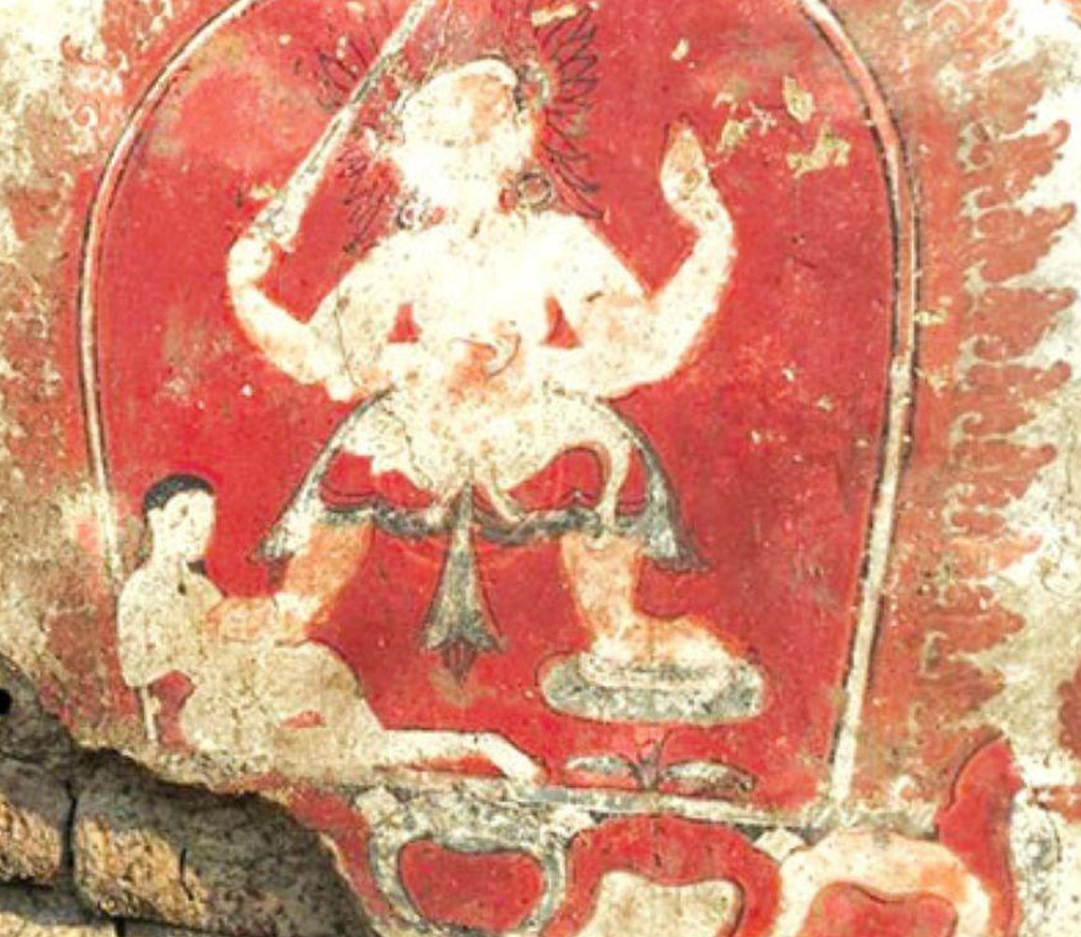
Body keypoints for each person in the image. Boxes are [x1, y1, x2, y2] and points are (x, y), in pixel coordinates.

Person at [224, 56, 747, 704]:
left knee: (607, 448)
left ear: (519, 138)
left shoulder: (556, 243)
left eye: (483, 135)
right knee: (361, 444)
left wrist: (711, 235)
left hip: (528, 428)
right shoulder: (406, 255)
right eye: (447, 142)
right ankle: (297, 605)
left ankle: (616, 626)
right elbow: (328, 359)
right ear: (416, 157)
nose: (467, 158)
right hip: (427, 434)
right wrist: (246, 289)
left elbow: (636, 349)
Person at [117, 474, 539, 780]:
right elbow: (143, 674)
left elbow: (230, 641)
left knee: (327, 680)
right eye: (184, 517)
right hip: (217, 715)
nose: (196, 531)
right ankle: (473, 747)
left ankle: (474, 746)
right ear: (155, 518)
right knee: (351, 747)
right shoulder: (142, 590)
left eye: (204, 521)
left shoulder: (198, 587)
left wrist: (261, 642)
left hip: (248, 692)